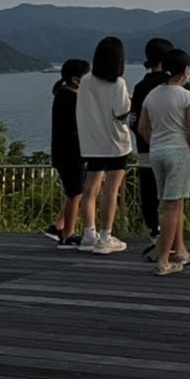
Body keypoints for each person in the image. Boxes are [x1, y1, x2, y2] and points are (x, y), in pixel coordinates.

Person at [138, 49, 190, 275]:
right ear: (186, 70)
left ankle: (179, 251)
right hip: (178, 152)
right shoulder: (187, 96)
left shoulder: (152, 95)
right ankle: (164, 261)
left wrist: (156, 143)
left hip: (156, 153)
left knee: (171, 204)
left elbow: (142, 127)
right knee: (172, 206)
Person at [76, 36, 132, 254]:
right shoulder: (118, 84)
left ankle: (89, 235)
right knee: (111, 190)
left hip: (92, 143)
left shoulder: (86, 81)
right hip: (116, 143)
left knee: (90, 189)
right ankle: (106, 237)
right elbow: (122, 113)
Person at [127, 38, 174, 256]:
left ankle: (155, 235)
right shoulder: (173, 84)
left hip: (145, 149)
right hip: (171, 148)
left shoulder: (140, 87)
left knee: (149, 194)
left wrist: (148, 138)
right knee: (172, 197)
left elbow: (133, 121)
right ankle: (172, 241)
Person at [43, 58, 90, 250]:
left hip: (66, 153)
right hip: (71, 153)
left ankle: (59, 226)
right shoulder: (70, 98)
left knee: (76, 191)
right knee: (75, 193)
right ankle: (67, 235)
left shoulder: (64, 95)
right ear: (76, 79)